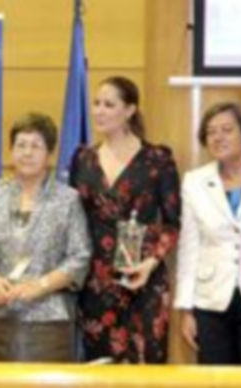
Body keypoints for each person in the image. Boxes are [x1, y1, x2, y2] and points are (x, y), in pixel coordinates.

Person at [69, 76, 180, 363]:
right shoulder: (82, 159)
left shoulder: (158, 158)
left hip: (143, 278)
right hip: (95, 282)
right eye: (96, 103)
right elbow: (72, 219)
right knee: (100, 370)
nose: (99, 111)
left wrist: (152, 261)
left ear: (129, 110)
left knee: (147, 371)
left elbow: (173, 222)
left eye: (109, 104)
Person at [0, 112, 90, 362]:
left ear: (49, 154)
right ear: (11, 150)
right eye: (21, 145)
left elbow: (80, 257)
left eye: (36, 146)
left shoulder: (67, 199)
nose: (27, 153)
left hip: (49, 319)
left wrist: (40, 286)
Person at [174, 102, 241, 364]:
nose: (218, 137)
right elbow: (189, 246)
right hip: (211, 298)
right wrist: (186, 309)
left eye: (227, 129)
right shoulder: (194, 181)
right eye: (211, 132)